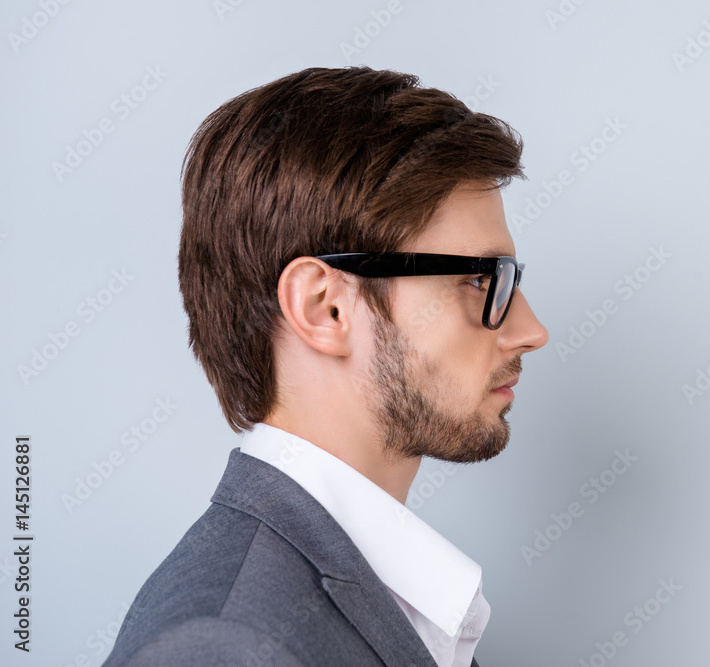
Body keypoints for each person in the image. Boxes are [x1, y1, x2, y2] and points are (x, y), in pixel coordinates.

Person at [103, 66, 549, 667]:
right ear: (326, 308)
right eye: (478, 279)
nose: (531, 332)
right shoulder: (225, 648)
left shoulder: (380, 595)